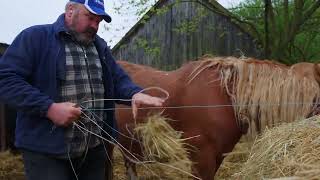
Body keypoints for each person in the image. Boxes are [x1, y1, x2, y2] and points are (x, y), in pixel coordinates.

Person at [0, 0, 164, 180]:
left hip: (93, 150)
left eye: (99, 21)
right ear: (70, 11)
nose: (95, 26)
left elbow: (117, 79)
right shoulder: (35, 38)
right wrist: (48, 108)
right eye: (90, 18)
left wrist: (134, 94)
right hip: (47, 152)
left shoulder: (99, 46)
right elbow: (6, 79)